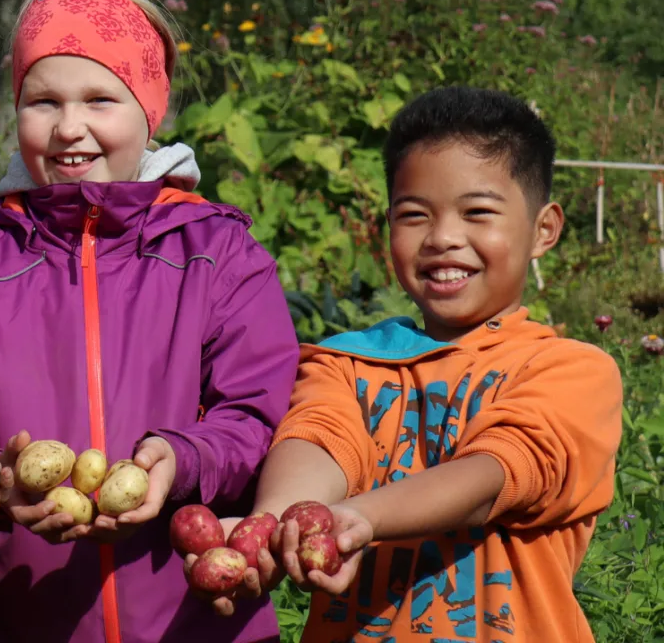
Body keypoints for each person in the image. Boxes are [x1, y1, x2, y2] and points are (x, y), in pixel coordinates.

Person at [0, 0, 300, 643]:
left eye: (101, 99)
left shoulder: (218, 254)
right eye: (43, 102)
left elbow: (257, 417)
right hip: (20, 621)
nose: (70, 128)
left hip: (197, 624)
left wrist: (180, 459)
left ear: (148, 110)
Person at [206, 86, 622, 641]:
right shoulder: (347, 362)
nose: (443, 239)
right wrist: (280, 519)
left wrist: (360, 519)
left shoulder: (572, 372)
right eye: (414, 215)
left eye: (478, 212)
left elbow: (498, 472)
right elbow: (320, 438)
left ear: (544, 229)